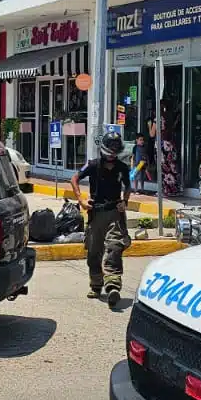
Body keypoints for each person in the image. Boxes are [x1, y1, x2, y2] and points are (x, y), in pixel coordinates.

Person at [70, 130, 131, 309]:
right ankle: (96, 285)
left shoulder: (122, 167)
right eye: (110, 148)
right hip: (96, 213)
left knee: (114, 247)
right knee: (94, 251)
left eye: (115, 149)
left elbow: (128, 186)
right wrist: (80, 199)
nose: (112, 152)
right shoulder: (93, 165)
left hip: (115, 212)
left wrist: (125, 201)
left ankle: (112, 285)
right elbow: (74, 178)